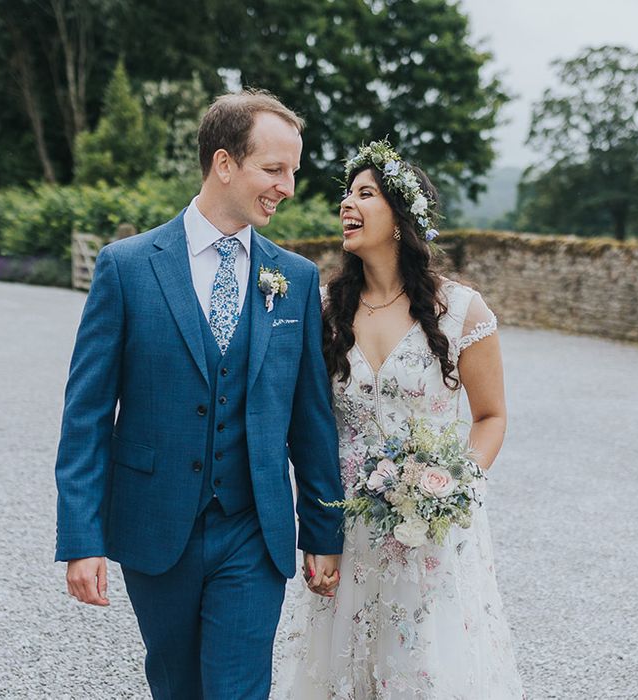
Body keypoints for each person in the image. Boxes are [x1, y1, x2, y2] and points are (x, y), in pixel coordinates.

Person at [54, 90, 344, 699]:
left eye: (293, 171)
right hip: (156, 528)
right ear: (223, 164)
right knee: (176, 685)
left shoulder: (293, 278)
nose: (288, 186)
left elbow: (310, 416)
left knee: (238, 690)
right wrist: (82, 539)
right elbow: (86, 414)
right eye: (275, 169)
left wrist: (323, 530)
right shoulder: (127, 267)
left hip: (253, 530)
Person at [274, 140, 524, 698]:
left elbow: (490, 416)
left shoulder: (462, 311)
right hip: (346, 524)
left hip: (430, 529)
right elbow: (309, 427)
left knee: (424, 665)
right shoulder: (322, 310)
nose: (346, 204)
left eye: (365, 193)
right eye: (346, 194)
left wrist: (455, 485)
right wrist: (317, 532)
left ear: (401, 216)